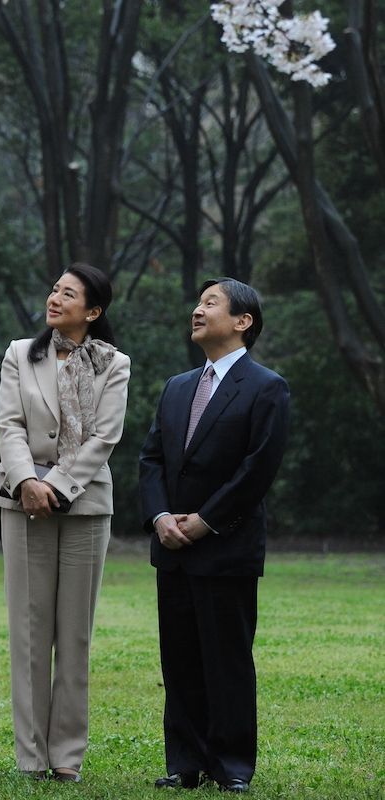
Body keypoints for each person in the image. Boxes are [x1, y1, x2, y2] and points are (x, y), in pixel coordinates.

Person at [139, 277, 290, 794]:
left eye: (210, 303)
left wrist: (204, 521)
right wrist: (161, 517)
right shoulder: (178, 386)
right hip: (172, 547)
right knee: (178, 659)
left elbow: (257, 469)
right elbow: (152, 458)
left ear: (242, 321)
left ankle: (231, 765)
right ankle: (184, 763)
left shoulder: (267, 386)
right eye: (199, 303)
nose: (197, 311)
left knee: (225, 659)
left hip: (226, 546)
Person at [0, 263, 130, 783]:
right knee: (29, 635)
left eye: (67, 294)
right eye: (53, 289)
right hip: (21, 501)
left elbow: (105, 436)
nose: (54, 298)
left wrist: (58, 486)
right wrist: (28, 482)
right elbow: (9, 424)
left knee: (74, 636)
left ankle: (66, 756)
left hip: (86, 506)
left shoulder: (114, 363)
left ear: (92, 311)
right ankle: (30, 757)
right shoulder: (18, 354)